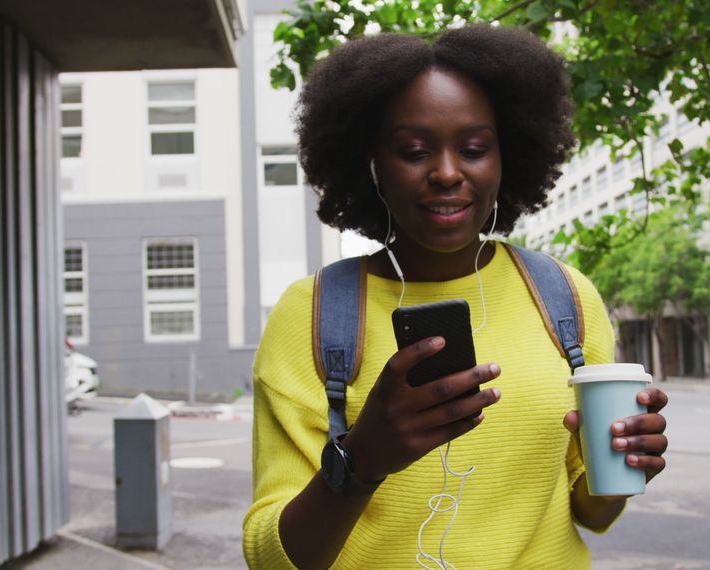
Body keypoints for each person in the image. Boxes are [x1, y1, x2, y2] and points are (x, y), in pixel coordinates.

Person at [243, 25, 669, 570]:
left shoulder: (565, 297)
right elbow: (272, 558)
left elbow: (592, 512)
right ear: (371, 162)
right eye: (414, 151)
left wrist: (625, 462)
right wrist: (362, 459)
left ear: (506, 156)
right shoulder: (312, 313)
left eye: (472, 149)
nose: (447, 173)